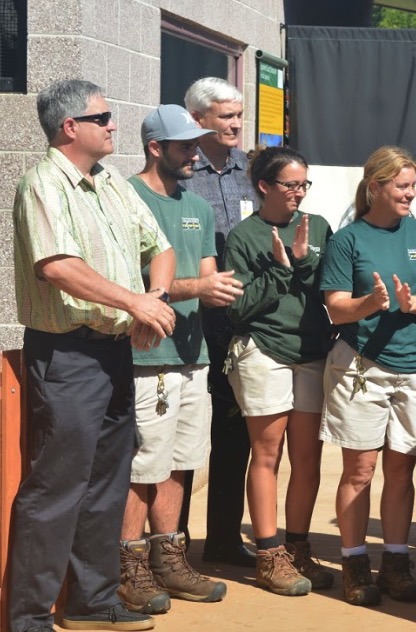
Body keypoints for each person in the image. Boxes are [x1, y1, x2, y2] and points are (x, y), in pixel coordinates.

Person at [9, 79, 176, 632]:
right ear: (69, 127)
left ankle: (91, 603)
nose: (114, 125)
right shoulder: (42, 184)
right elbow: (57, 266)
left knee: (107, 481)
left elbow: (161, 247)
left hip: (114, 351)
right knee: (56, 487)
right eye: (103, 116)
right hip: (66, 355)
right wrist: (135, 303)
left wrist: (153, 301)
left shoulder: (111, 184)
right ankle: (30, 618)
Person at [320, 146, 416, 607]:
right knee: (360, 470)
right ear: (375, 187)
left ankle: (396, 564)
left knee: (402, 469)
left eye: (413, 186)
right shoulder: (348, 239)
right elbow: (336, 308)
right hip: (362, 367)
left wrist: (411, 303)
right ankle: (355, 566)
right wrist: (369, 305)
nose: (410, 194)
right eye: (401, 186)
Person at [117, 105, 237, 615]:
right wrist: (198, 286)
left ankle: (170, 557)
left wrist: (223, 289)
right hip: (148, 355)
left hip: (194, 354)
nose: (195, 152)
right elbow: (129, 282)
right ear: (155, 148)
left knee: (181, 462)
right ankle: (129, 566)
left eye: (196, 143)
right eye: (185, 145)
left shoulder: (200, 205)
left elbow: (208, 275)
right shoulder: (124, 197)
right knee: (144, 464)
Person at [223, 146, 335, 596]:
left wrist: (305, 262)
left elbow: (330, 290)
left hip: (311, 352)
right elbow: (239, 308)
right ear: (265, 186)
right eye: (290, 184)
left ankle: (298, 546)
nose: (299, 193)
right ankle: (269, 555)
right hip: (263, 350)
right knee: (266, 453)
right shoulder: (244, 236)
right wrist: (279, 269)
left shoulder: (320, 227)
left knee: (307, 457)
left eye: (304, 184)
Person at [183, 77, 259, 568]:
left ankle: (224, 539)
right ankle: (170, 543)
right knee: (186, 435)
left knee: (236, 432)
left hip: (244, 323)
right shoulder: (180, 173)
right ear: (198, 120)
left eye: (238, 115)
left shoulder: (253, 172)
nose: (236, 124)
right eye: (226, 116)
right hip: (189, 323)